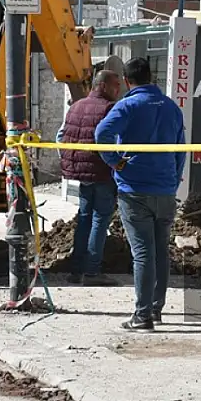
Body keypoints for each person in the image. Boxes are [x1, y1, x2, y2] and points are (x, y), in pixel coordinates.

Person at [95, 57, 185, 331]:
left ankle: (142, 315)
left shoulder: (128, 105)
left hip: (135, 189)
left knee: (143, 253)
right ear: (152, 77)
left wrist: (115, 161)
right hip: (165, 189)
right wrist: (173, 178)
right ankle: (156, 309)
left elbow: (102, 133)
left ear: (126, 81)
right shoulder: (171, 107)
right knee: (161, 251)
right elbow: (181, 147)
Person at [56, 70, 122, 286]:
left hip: (81, 173)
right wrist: (117, 162)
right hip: (102, 172)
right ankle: (93, 272)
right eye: (115, 85)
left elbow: (61, 136)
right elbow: (112, 140)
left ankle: (76, 270)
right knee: (100, 219)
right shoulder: (109, 108)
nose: (118, 90)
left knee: (84, 218)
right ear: (102, 86)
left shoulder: (75, 106)